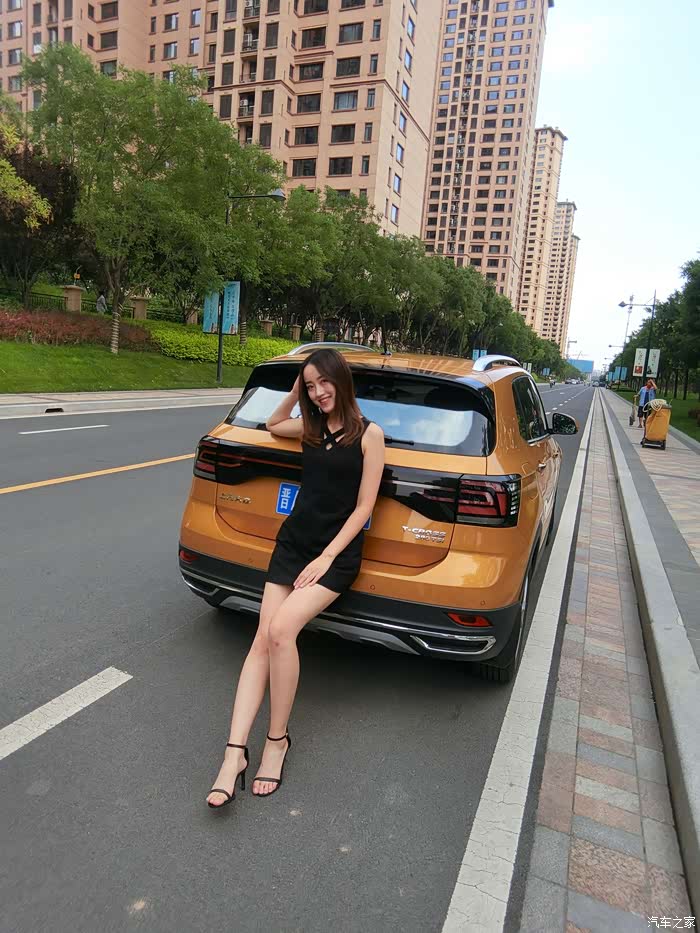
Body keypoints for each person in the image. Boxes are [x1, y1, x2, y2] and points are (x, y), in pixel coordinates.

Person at [206, 348, 385, 809]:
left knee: (282, 631)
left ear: (341, 381)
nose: (319, 392)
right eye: (311, 385)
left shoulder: (369, 435)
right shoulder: (311, 427)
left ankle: (277, 741)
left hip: (334, 556)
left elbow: (364, 507)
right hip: (293, 545)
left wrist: (327, 557)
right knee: (262, 640)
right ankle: (233, 754)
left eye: (324, 382)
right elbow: (272, 424)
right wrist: (294, 389)